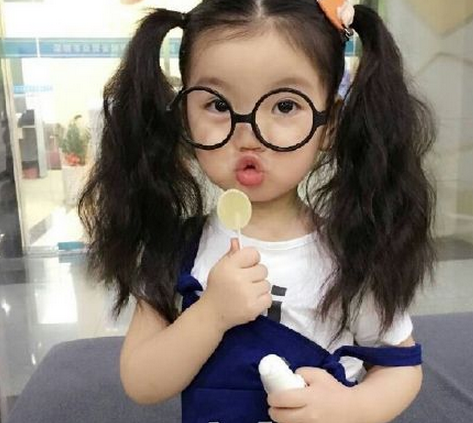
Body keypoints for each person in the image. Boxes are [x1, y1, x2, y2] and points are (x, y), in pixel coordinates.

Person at [79, 0, 437, 422]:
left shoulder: (351, 253)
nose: (249, 135)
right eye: (217, 105)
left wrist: (351, 408)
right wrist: (210, 315)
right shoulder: (174, 249)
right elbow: (142, 381)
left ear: (330, 124)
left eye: (285, 106)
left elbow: (400, 367)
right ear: (185, 116)